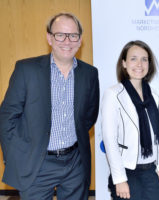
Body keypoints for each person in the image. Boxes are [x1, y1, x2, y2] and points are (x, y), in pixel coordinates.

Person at [0, 13, 99, 199]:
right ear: (49, 38)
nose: (67, 41)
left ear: (80, 40)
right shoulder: (26, 70)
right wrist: (14, 157)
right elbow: (7, 117)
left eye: (73, 35)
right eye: (60, 35)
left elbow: (89, 116)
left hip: (75, 163)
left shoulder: (90, 74)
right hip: (36, 163)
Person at [101, 40, 159, 200]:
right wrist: (120, 179)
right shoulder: (113, 94)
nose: (139, 64)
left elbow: (157, 135)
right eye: (133, 58)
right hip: (127, 171)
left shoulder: (154, 95)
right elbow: (109, 139)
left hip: (151, 171)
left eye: (144, 59)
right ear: (124, 63)